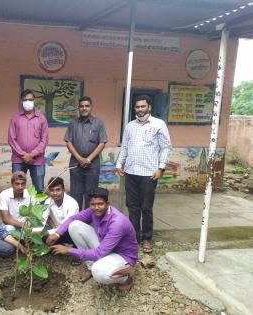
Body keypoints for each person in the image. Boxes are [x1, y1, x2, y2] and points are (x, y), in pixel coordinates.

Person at [46, 187, 138, 295]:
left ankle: (126, 278)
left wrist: (68, 250)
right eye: (93, 204)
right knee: (74, 225)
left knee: (98, 272)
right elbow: (72, 219)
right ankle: (90, 266)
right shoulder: (92, 211)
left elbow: (99, 253)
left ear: (107, 204)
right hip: (105, 246)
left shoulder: (117, 223)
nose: (96, 208)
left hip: (122, 255)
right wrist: (57, 234)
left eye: (100, 204)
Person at [116, 94, 172, 253]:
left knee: (146, 207)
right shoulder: (129, 126)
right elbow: (125, 147)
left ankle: (147, 238)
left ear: (149, 107)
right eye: (137, 107)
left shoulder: (158, 124)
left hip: (149, 174)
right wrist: (119, 164)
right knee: (132, 207)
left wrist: (161, 168)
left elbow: (166, 147)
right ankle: (134, 237)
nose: (140, 109)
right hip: (131, 172)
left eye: (143, 106)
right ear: (134, 108)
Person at [64, 96, 108, 210]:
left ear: (91, 107)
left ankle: (89, 221)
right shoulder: (73, 124)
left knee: (91, 194)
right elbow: (68, 142)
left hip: (92, 165)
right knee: (75, 194)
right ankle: (76, 220)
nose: (84, 108)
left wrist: (88, 159)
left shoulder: (98, 124)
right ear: (78, 108)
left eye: (87, 106)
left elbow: (102, 143)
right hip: (75, 164)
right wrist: (79, 158)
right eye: (82, 106)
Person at [8, 89, 49, 193]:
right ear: (21, 101)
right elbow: (11, 139)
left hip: (37, 160)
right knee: (17, 189)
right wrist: (24, 155)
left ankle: (39, 209)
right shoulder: (15, 118)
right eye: (25, 100)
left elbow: (44, 140)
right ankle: (18, 209)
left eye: (30, 99)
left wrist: (32, 155)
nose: (28, 102)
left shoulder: (41, 118)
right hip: (18, 159)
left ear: (34, 100)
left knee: (39, 189)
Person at [43, 177, 79, 244]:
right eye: (52, 190)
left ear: (64, 190)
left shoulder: (72, 203)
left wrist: (50, 232)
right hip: (55, 229)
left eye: (58, 190)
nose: (55, 193)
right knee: (40, 231)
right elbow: (44, 218)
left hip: (69, 232)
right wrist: (53, 226)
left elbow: (67, 224)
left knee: (46, 235)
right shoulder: (48, 201)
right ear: (48, 191)